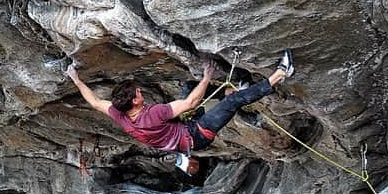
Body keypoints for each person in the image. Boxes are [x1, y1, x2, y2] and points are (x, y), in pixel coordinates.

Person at [65, 50, 294, 175]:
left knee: (187, 87)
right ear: (135, 102)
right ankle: (280, 74)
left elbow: (95, 102)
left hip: (183, 133)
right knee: (232, 102)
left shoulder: (120, 114)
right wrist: (206, 76)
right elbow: (191, 103)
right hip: (197, 135)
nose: (141, 92)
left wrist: (76, 79)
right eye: (138, 93)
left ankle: (239, 89)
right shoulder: (153, 113)